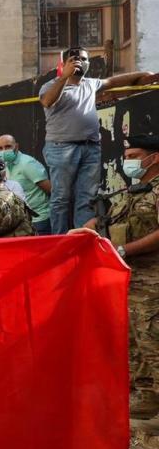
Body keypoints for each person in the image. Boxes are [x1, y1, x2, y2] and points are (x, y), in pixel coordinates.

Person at [85, 135, 159, 432]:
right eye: (127, 154)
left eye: (136, 154)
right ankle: (145, 399)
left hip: (153, 280)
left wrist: (127, 249)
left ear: (154, 158)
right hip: (128, 278)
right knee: (134, 342)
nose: (129, 160)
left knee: (153, 340)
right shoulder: (129, 192)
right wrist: (88, 229)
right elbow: (108, 224)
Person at [40, 47, 156, 234]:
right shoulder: (51, 85)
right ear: (63, 64)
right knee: (61, 198)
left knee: (86, 197)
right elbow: (47, 101)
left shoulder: (90, 84)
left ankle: (82, 239)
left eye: (84, 59)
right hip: (61, 148)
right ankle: (59, 240)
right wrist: (64, 77)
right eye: (74, 59)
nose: (79, 62)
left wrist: (146, 74)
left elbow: (113, 81)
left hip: (90, 148)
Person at [0, 135, 52, 235]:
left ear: (16, 147)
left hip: (39, 220)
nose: (4, 151)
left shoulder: (27, 163)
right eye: (0, 148)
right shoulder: (5, 165)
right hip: (21, 221)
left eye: (8, 147)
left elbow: (49, 189)